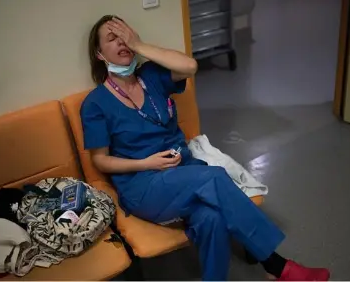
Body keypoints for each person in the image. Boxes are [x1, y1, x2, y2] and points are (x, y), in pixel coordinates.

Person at [81, 15, 330, 281]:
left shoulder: (151, 76)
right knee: (213, 177)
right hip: (144, 185)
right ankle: (277, 266)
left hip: (184, 172)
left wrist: (139, 45)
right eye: (112, 38)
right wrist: (147, 163)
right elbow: (101, 161)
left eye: (124, 35)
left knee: (210, 218)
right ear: (99, 53)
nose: (121, 42)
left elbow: (189, 65)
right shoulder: (95, 104)